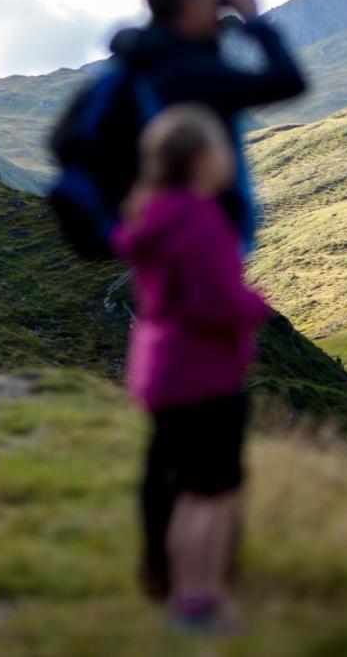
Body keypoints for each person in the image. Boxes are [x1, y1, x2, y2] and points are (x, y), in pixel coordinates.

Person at [113, 104, 272, 630]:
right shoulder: (201, 220)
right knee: (214, 489)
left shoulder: (152, 215)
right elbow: (215, 302)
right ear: (202, 159)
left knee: (186, 488)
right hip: (204, 373)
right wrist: (255, 305)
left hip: (162, 369)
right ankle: (199, 601)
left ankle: (183, 593)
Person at [110, 0, 307, 249]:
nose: (214, 6)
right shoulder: (193, 73)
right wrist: (255, 22)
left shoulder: (140, 64)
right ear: (187, 2)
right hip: (204, 230)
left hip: (154, 223)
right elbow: (289, 82)